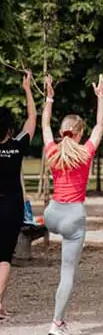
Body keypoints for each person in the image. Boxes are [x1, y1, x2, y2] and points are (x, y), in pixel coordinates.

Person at [42, 73, 103, 335]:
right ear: (79, 133)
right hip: (73, 216)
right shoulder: (85, 151)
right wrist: (100, 97)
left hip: (51, 214)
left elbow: (44, 124)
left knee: (64, 264)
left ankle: (59, 322)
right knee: (67, 272)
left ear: (61, 131)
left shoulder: (52, 151)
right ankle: (57, 323)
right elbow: (101, 124)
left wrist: (49, 97)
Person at [0, 71, 37, 320]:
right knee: (4, 257)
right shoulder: (16, 146)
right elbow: (32, 118)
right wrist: (27, 88)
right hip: (11, 207)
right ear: (10, 129)